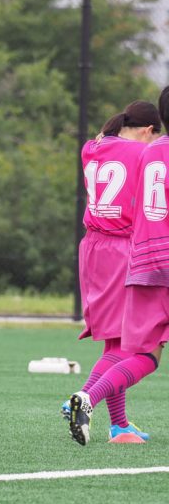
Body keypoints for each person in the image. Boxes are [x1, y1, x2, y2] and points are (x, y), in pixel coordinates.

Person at [68, 91, 169, 445]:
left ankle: (118, 423)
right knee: (133, 349)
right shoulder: (145, 152)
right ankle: (86, 398)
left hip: (94, 245)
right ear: (148, 129)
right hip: (126, 247)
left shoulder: (92, 147)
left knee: (116, 343)